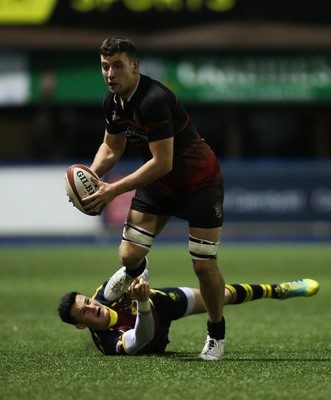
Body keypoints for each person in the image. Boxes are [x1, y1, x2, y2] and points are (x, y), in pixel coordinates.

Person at [81, 36, 226, 360]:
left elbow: (163, 162)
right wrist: (92, 177)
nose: (110, 73)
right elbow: (112, 147)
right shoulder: (112, 102)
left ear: (135, 66)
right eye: (105, 66)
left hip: (198, 183)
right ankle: (136, 273)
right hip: (160, 184)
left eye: (117, 65)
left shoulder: (154, 99)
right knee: (128, 254)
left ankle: (216, 333)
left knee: (203, 266)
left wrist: (113, 189)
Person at [58, 276, 319, 357]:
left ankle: (281, 290)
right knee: (147, 330)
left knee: (220, 296)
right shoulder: (108, 342)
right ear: (81, 325)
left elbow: (138, 264)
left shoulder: (105, 293)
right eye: (85, 312)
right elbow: (142, 337)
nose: (92, 307)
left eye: (88, 302)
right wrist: (141, 301)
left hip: (161, 304)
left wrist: (136, 271)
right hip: (153, 337)